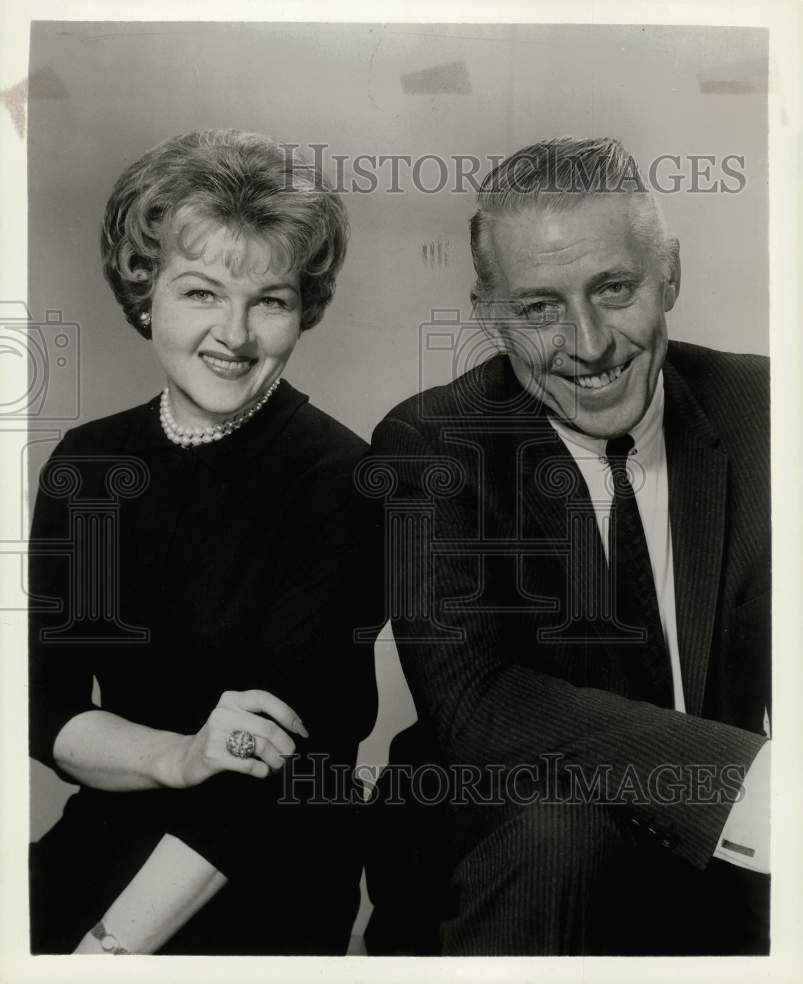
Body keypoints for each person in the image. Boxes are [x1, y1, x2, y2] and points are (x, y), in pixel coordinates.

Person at [370, 137, 770, 955]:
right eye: (539, 307)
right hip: (518, 866)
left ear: (669, 275)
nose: (587, 346)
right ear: (488, 313)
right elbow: (476, 699)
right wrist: (745, 782)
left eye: (613, 288)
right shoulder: (432, 445)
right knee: (563, 832)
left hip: (736, 879)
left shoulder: (765, 410)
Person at [28, 129, 382, 955]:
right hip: (114, 827)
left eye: (269, 299)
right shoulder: (88, 463)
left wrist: (105, 953)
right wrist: (179, 756)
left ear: (303, 309)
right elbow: (46, 713)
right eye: (200, 293)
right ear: (144, 290)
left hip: (264, 866)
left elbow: (275, 771)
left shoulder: (344, 479)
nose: (235, 333)